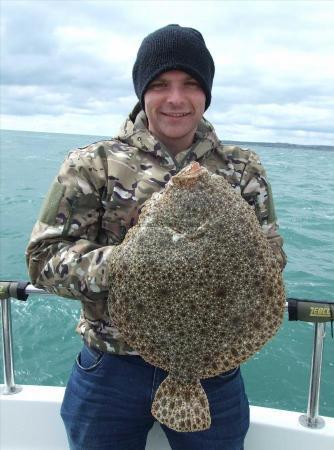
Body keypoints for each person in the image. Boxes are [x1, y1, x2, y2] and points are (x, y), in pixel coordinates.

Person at [26, 24, 286, 450]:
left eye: (190, 84)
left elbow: (272, 261)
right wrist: (131, 263)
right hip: (110, 371)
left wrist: (216, 261)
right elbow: (42, 260)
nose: (176, 99)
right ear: (142, 91)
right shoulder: (94, 164)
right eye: (161, 84)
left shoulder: (244, 169)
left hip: (211, 374)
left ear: (206, 93)